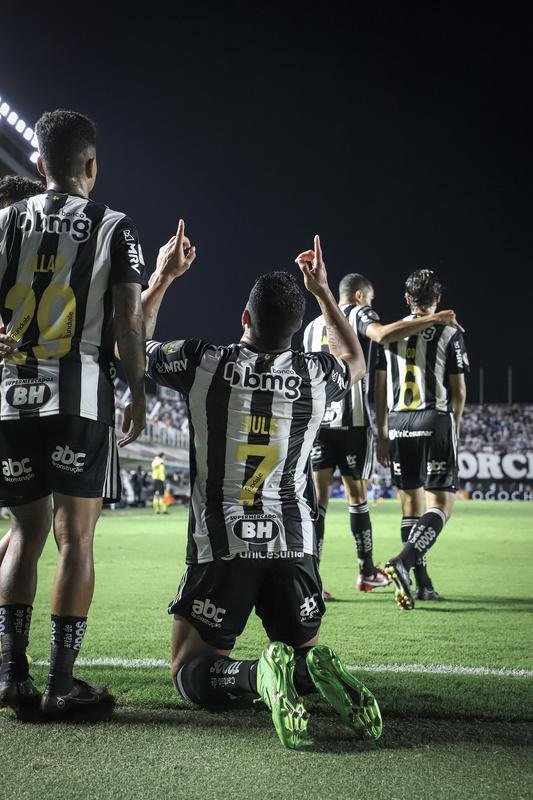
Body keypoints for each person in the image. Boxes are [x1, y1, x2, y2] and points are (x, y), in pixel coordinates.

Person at [136, 220, 383, 750]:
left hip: (224, 547)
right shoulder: (318, 373)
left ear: (244, 317)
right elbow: (356, 359)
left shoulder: (206, 361)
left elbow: (133, 345)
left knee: (188, 667)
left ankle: (253, 677)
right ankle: (308, 672)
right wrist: (323, 292)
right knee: (303, 656)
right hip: (295, 547)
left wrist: (162, 276)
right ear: (297, 329)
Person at [0, 109, 147, 718]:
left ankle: (11, 677)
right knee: (75, 537)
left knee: (24, 535)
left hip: (10, 398)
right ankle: (62, 683)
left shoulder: (5, 220)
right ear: (92, 165)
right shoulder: (115, 226)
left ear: (38, 167)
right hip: (79, 396)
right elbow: (128, 321)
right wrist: (137, 389)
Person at [303, 272, 461, 595]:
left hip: (320, 423)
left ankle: (311, 583)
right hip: (355, 422)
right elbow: (382, 334)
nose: (372, 305)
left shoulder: (310, 327)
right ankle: (368, 571)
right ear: (360, 296)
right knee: (359, 499)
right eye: (371, 299)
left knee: (318, 504)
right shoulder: (360, 314)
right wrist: (439, 318)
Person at [375, 269, 468, 609]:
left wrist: (383, 432)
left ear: (407, 299)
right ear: (438, 299)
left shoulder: (389, 334)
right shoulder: (448, 331)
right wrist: (453, 426)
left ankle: (423, 584)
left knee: (410, 507)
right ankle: (404, 560)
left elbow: (379, 387)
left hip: (399, 422)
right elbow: (458, 391)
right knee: (441, 506)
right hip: (435, 418)